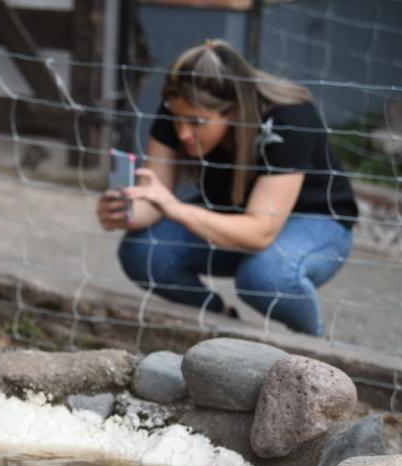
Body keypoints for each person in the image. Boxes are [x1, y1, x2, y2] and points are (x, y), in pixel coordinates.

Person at [96, 39, 356, 336]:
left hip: (315, 223)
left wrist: (178, 210)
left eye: (196, 123)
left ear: (231, 110)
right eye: (178, 119)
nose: (182, 132)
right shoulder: (180, 107)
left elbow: (260, 232)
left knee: (264, 277)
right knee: (142, 251)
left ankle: (316, 351)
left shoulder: (289, 118)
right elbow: (154, 196)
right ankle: (221, 324)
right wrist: (124, 210)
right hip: (234, 216)